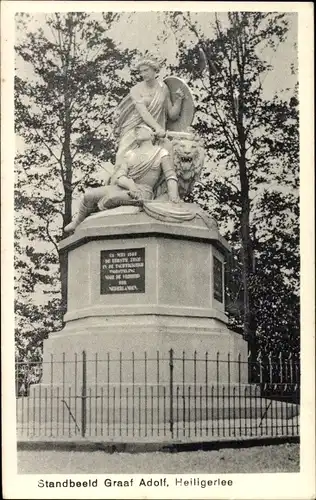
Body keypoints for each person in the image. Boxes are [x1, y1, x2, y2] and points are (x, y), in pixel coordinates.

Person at [64, 124, 180, 233]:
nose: (137, 131)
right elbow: (120, 175)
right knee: (88, 195)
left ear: (151, 135)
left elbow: (170, 176)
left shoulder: (160, 152)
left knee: (111, 199)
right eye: (136, 130)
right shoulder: (130, 154)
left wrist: (173, 198)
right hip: (124, 186)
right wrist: (131, 186)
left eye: (141, 129)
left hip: (143, 191)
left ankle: (97, 214)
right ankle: (79, 221)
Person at [114, 54, 184, 166]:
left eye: (146, 70)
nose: (143, 74)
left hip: (156, 133)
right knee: (122, 155)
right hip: (135, 128)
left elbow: (172, 115)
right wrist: (157, 128)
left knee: (166, 156)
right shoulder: (135, 90)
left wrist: (179, 100)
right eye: (141, 72)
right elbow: (143, 113)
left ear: (154, 70)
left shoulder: (163, 88)